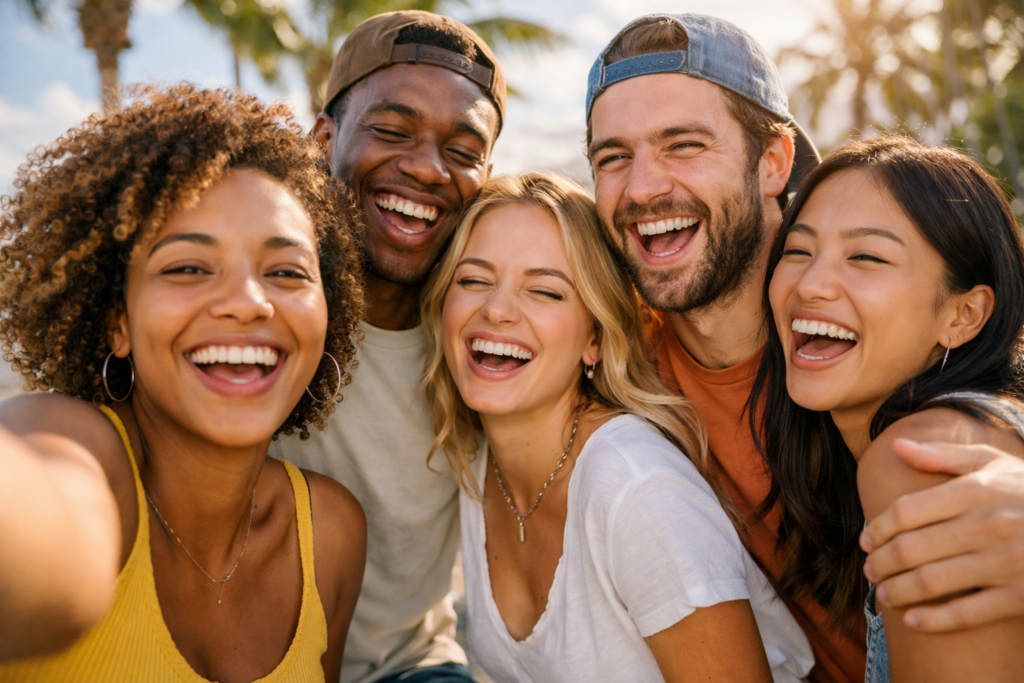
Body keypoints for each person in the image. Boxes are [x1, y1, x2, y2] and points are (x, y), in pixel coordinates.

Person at [585, 12, 1024, 683]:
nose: (643, 186)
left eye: (683, 144)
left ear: (774, 163)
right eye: (613, 156)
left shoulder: (930, 442)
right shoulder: (612, 347)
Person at [0, 84, 367, 682]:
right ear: (116, 320)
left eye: (286, 271)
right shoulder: (79, 449)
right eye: (188, 268)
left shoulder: (330, 533)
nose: (249, 303)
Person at [419, 171, 813, 682]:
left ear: (596, 339)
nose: (496, 310)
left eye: (545, 291)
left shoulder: (637, 490)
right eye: (473, 280)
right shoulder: (475, 456)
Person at [266, 10, 505, 683]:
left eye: (462, 151)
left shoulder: (485, 347)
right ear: (323, 139)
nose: (428, 169)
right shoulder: (255, 314)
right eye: (392, 131)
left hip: (413, 668)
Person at [755, 136, 1024, 682]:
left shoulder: (921, 458)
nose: (811, 284)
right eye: (798, 251)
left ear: (964, 314)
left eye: (866, 257)